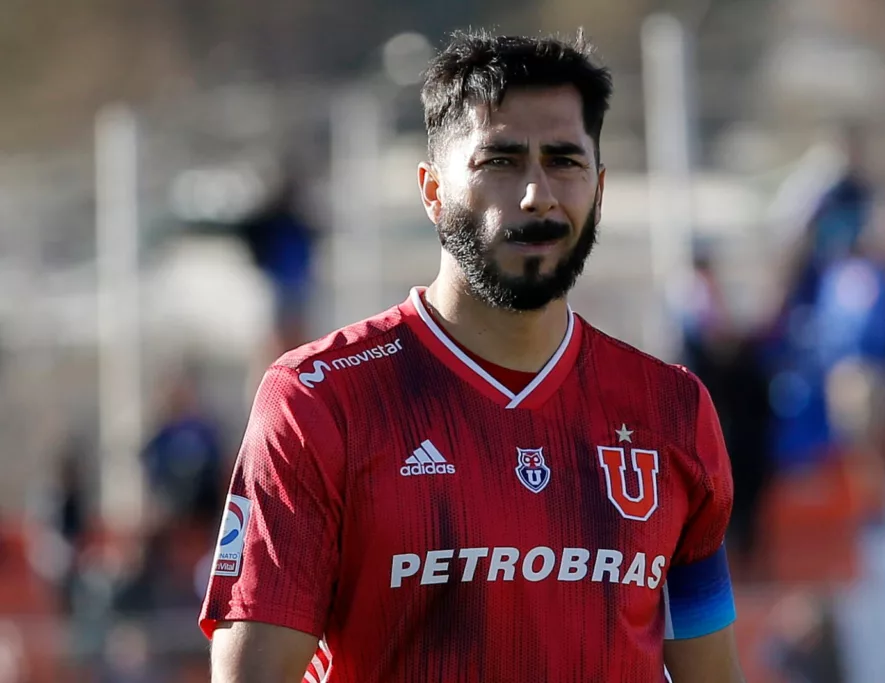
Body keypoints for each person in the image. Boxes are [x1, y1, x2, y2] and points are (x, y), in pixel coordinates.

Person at [200, 30, 744, 683]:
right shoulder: (319, 399)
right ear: (432, 190)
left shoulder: (672, 412)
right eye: (501, 161)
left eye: (564, 161)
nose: (536, 193)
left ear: (599, 189)